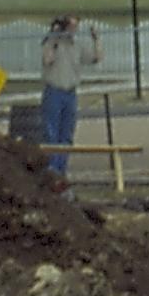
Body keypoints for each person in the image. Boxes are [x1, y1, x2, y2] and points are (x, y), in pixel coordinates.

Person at [39, 13, 104, 178]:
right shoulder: (51, 43)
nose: (73, 31)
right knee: (51, 133)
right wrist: (54, 37)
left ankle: (62, 169)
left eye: (75, 27)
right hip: (54, 91)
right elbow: (47, 60)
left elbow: (96, 58)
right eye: (70, 27)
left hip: (70, 93)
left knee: (66, 134)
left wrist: (96, 39)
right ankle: (52, 170)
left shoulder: (77, 46)